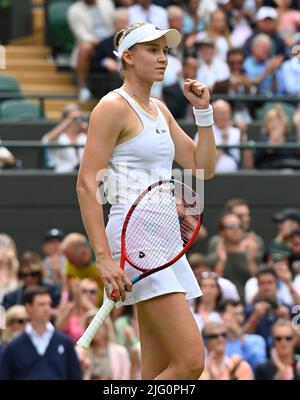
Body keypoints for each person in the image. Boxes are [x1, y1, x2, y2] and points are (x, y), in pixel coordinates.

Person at [76, 22, 216, 380]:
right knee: (190, 362)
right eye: (152, 50)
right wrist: (104, 259)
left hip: (164, 240)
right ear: (128, 56)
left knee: (158, 370)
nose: (162, 58)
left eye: (165, 51)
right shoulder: (112, 107)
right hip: (134, 240)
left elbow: (203, 167)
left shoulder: (159, 108)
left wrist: (203, 113)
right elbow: (86, 184)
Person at [0, 286, 82, 380]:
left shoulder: (65, 342)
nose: (47, 308)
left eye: (49, 304)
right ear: (29, 307)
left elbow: (75, 375)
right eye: (41, 304)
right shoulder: (14, 346)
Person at [42, 103, 88, 172]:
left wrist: (85, 128)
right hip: (63, 174)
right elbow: (46, 140)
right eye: (74, 119)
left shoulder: (84, 136)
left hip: (83, 173)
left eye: (79, 118)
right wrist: (69, 120)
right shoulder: (59, 136)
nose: (77, 121)